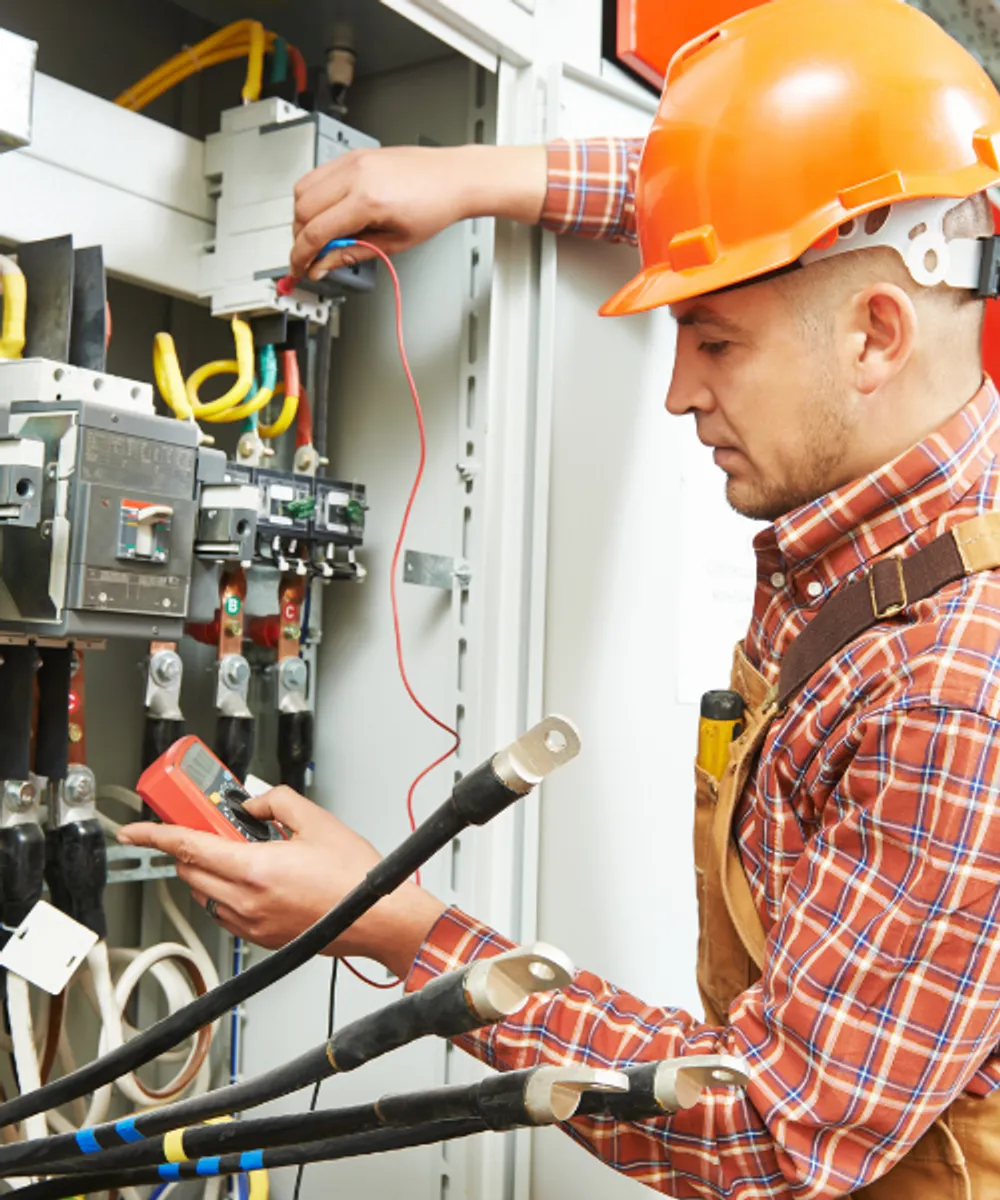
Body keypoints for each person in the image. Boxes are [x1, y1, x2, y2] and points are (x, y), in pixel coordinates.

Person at [120, 0, 1000, 1194]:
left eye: (716, 340)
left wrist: (405, 931)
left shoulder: (955, 690)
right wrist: (479, 173)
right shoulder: (910, 458)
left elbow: (771, 1134)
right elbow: (726, 186)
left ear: (874, 335)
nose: (678, 390)